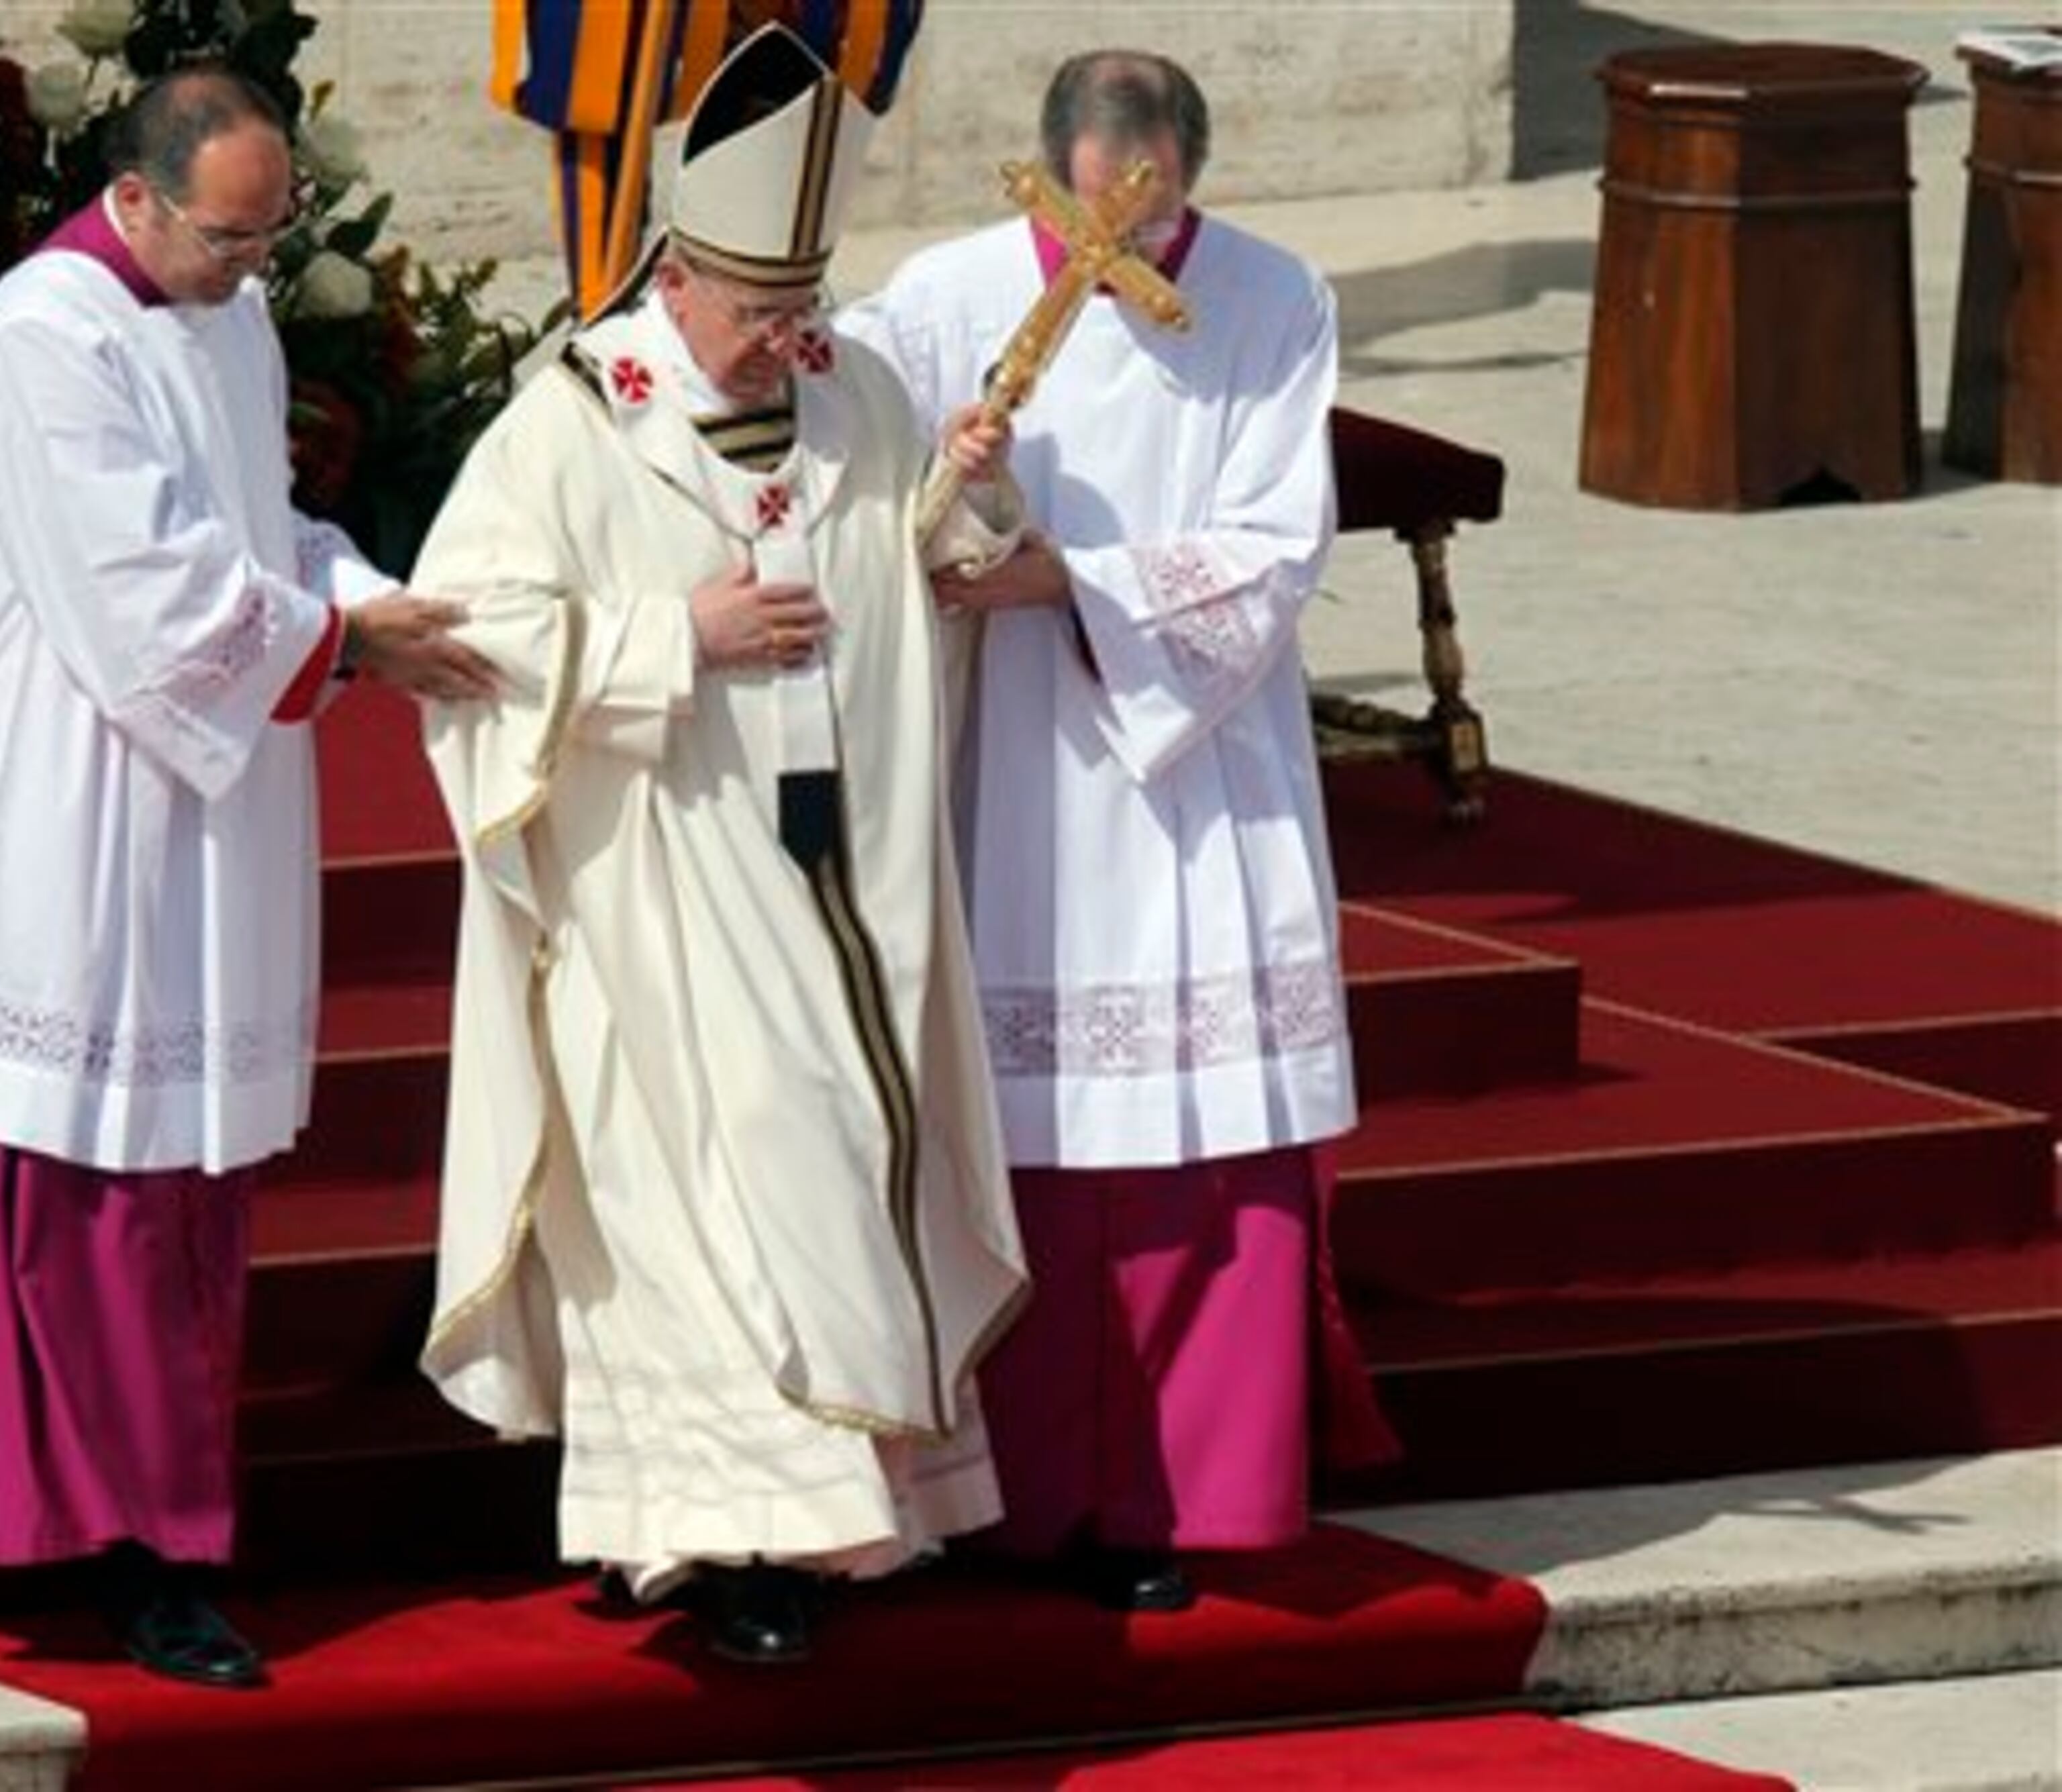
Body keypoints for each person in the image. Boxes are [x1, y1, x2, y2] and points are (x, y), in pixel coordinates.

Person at [0, 66, 493, 1690]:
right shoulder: (38, 344)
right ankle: (87, 1539)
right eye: (230, 238)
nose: (251, 268)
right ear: (138, 197)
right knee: (67, 1192)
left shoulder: (221, 320)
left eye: (267, 237)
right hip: (60, 813)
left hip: (193, 815)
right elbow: (141, 600)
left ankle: (156, 1518)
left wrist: (371, 594)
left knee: (172, 1192)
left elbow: (256, 527)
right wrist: (341, 641)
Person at [410, 25, 1029, 1667]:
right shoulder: (572, 420)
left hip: (845, 873)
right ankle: (725, 1539)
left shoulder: (854, 387)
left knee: (844, 1147)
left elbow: (917, 574)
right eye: (757, 317)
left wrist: (965, 496)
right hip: (668, 893)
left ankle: (846, 1516)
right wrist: (672, 639)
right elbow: (472, 633)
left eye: (800, 312)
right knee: (718, 1178)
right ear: (674, 277)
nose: (783, 346)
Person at [841, 48, 1397, 1613]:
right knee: (1011, 1137)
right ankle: (999, 1491)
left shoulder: (1276, 302)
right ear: (1046, 176)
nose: (1117, 254)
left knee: (1191, 1151)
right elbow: (858, 475)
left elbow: (1277, 545)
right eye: (1093, 217)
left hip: (1193, 769)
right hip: (999, 757)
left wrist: (1069, 587)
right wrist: (956, 498)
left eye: (1148, 222)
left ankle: (1173, 1496)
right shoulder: (943, 297)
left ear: (1190, 182)